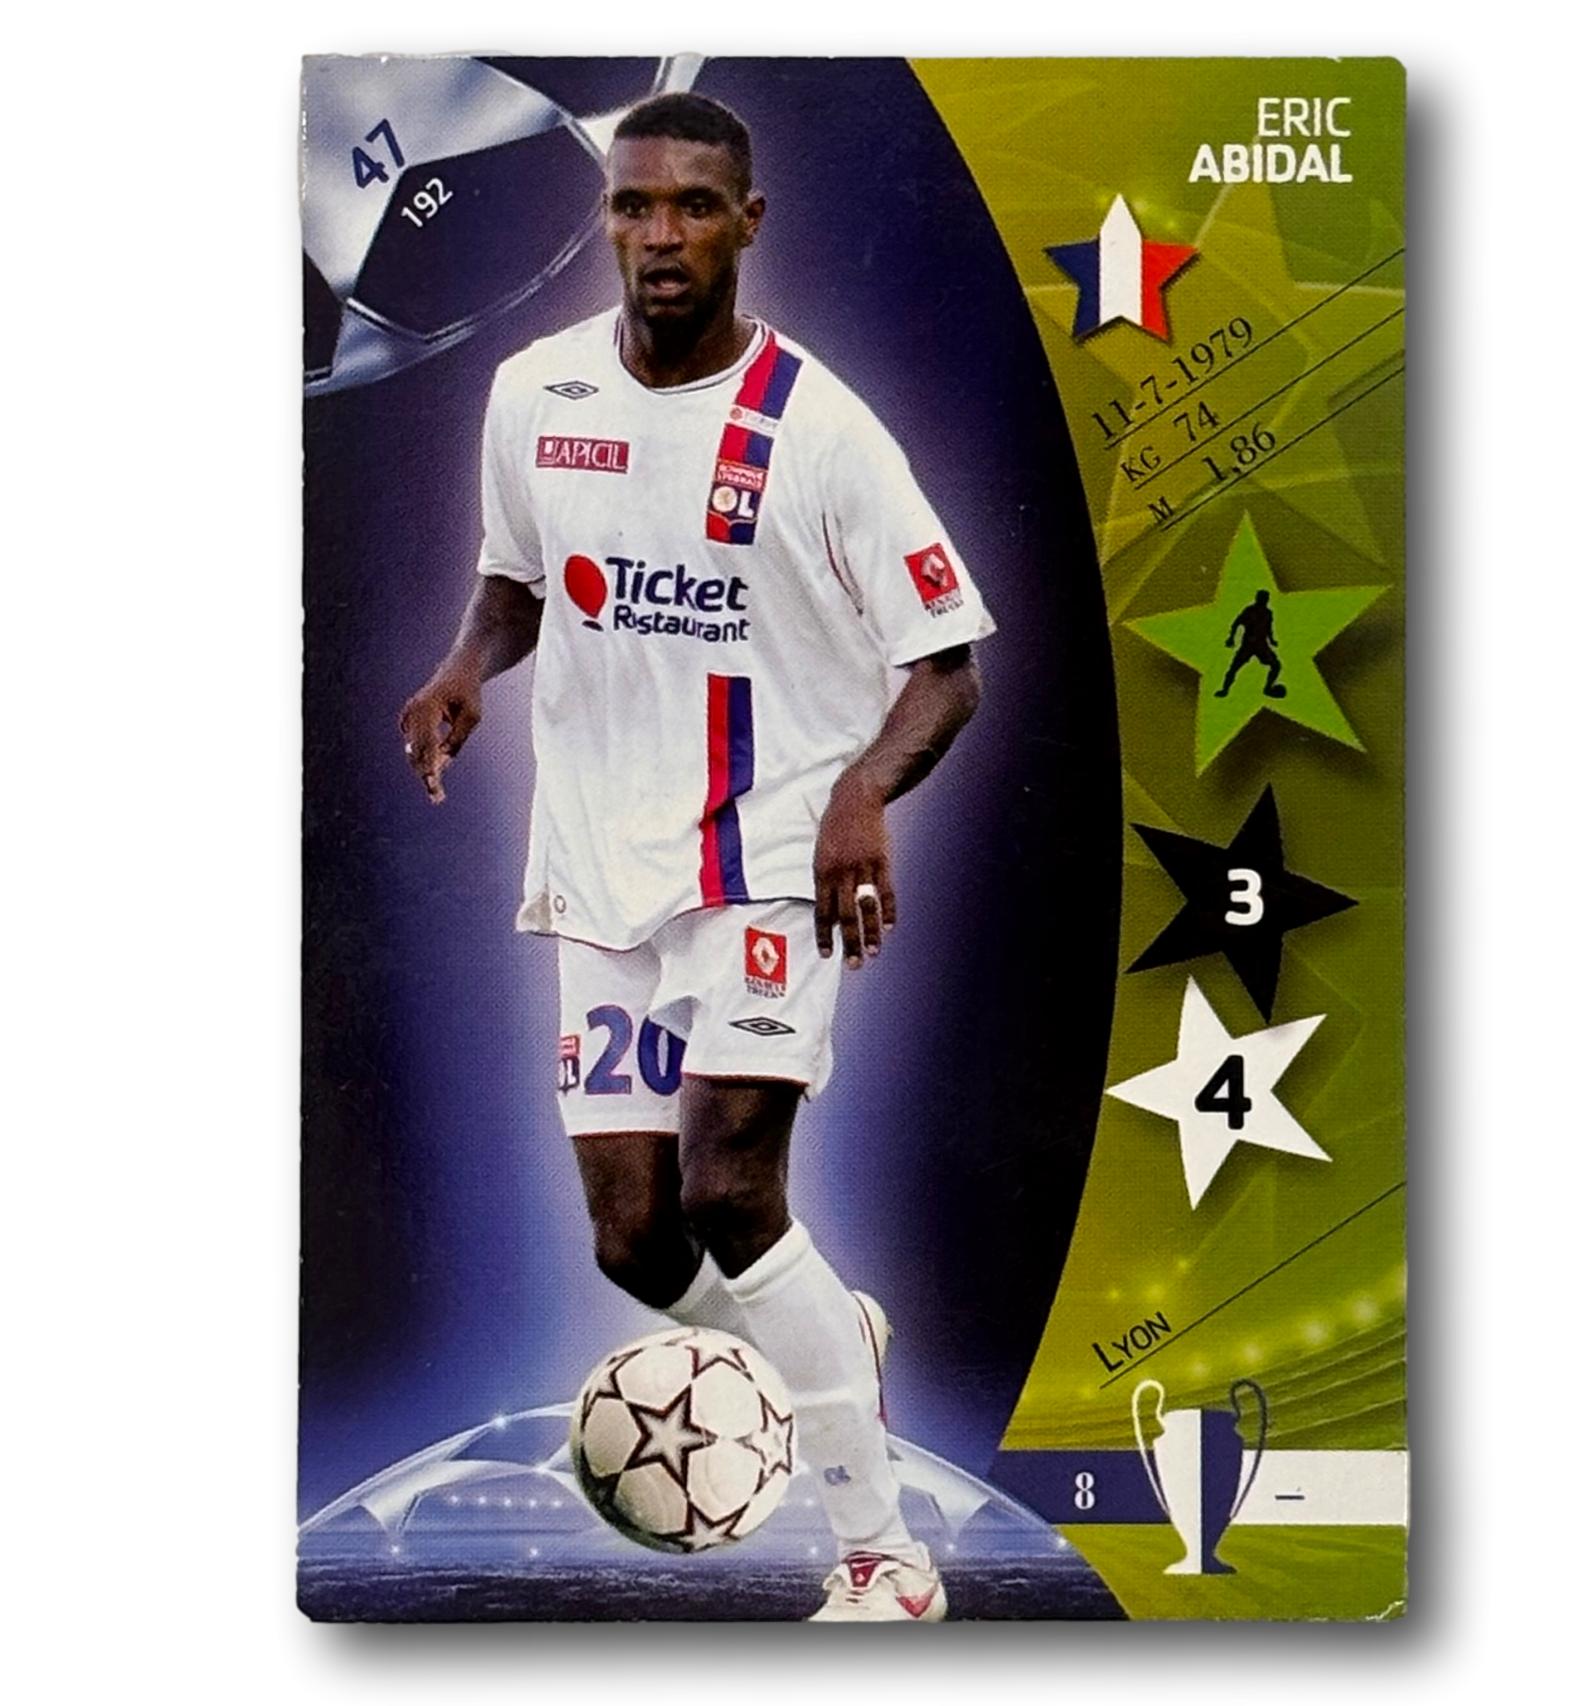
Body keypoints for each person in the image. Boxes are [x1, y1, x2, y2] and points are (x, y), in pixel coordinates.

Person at [398, 92, 991, 1621]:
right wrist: (465, 668)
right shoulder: (534, 393)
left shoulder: (821, 429)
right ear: (605, 219)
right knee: (631, 1237)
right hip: (598, 859)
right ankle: (821, 1332)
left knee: (732, 1187)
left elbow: (945, 665)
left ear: (747, 222)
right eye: (634, 205)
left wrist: (859, 795)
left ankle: (883, 1558)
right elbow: (515, 583)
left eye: (692, 206)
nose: (659, 234)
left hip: (765, 850)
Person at [1215, 587, 1286, 699]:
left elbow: (1268, 628)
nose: (1264, 600)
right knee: (1234, 667)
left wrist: (1272, 640)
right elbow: (1236, 623)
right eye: (1262, 598)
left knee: (1276, 665)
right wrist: (1231, 637)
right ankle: (1225, 689)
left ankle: (1267, 688)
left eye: (1265, 598)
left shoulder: (1268, 613)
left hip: (1261, 645)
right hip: (1248, 645)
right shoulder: (1250, 611)